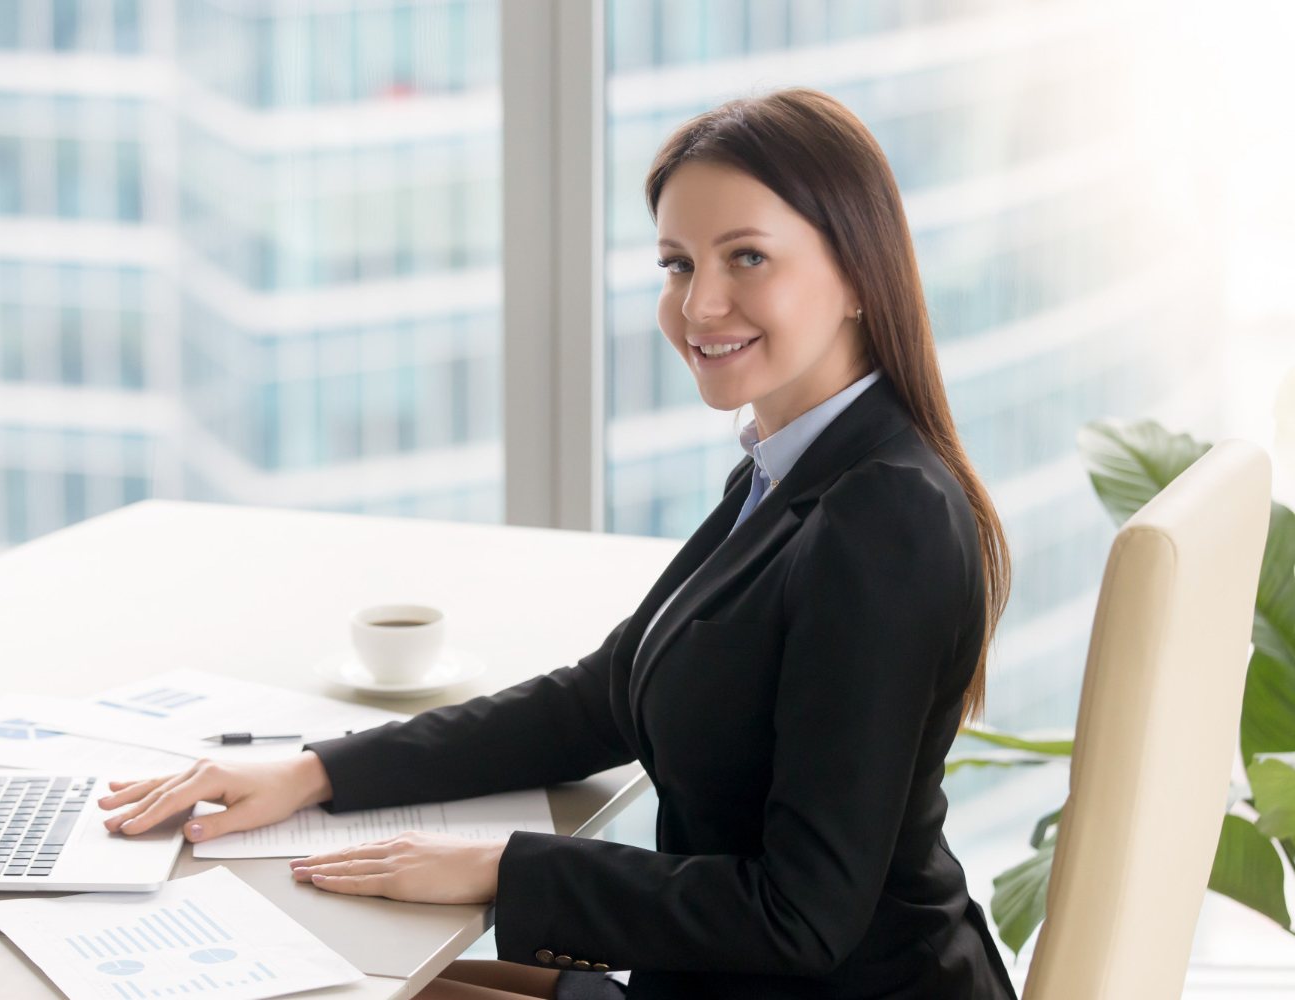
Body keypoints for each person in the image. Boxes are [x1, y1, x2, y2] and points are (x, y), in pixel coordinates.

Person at [99, 87, 1018, 1000]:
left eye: (747, 257)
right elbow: (601, 699)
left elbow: (804, 913)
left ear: (857, 273)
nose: (699, 305)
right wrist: (312, 774)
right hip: (718, 985)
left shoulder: (883, 517)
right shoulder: (787, 472)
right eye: (675, 264)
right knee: (329, 972)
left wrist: (505, 871)